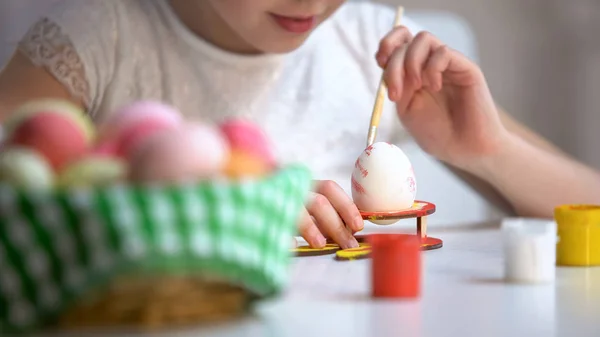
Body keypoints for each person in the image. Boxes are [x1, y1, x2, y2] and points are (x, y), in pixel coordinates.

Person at [0, 0, 598, 250]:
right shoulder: (97, 40)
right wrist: (233, 211)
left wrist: (486, 150)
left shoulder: (366, 41)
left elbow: (590, 208)